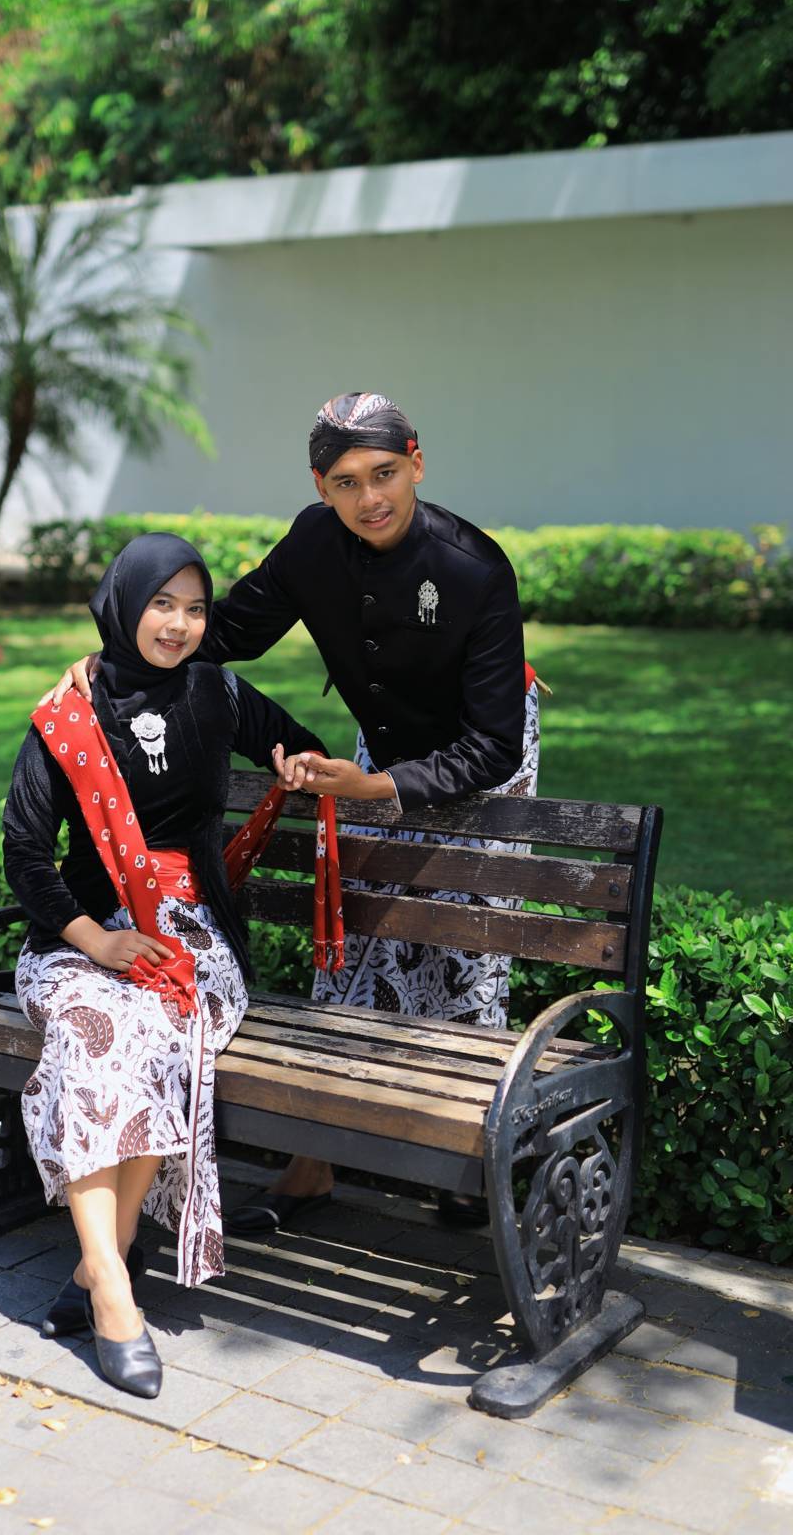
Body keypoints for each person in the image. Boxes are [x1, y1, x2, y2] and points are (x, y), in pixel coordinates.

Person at [46, 391, 540, 1234]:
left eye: (384, 474)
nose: (370, 498)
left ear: (417, 462)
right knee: (356, 933)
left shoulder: (474, 568)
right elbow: (229, 630)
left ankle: (466, 1159)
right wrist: (114, 658)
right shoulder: (314, 543)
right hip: (377, 752)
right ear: (320, 488)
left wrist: (374, 788)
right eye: (346, 482)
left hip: (479, 759)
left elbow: (493, 745)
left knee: (463, 945)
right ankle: (313, 1164)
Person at [2, 532, 328, 1398]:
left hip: (193, 936)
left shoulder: (217, 692)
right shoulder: (70, 713)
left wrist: (295, 764)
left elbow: (298, 745)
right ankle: (114, 1287)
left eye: (195, 609)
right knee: (93, 1031)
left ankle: (95, 1265)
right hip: (80, 937)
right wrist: (98, 942)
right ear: (122, 606)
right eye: (161, 605)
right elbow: (24, 852)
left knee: (162, 1023)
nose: (179, 625)